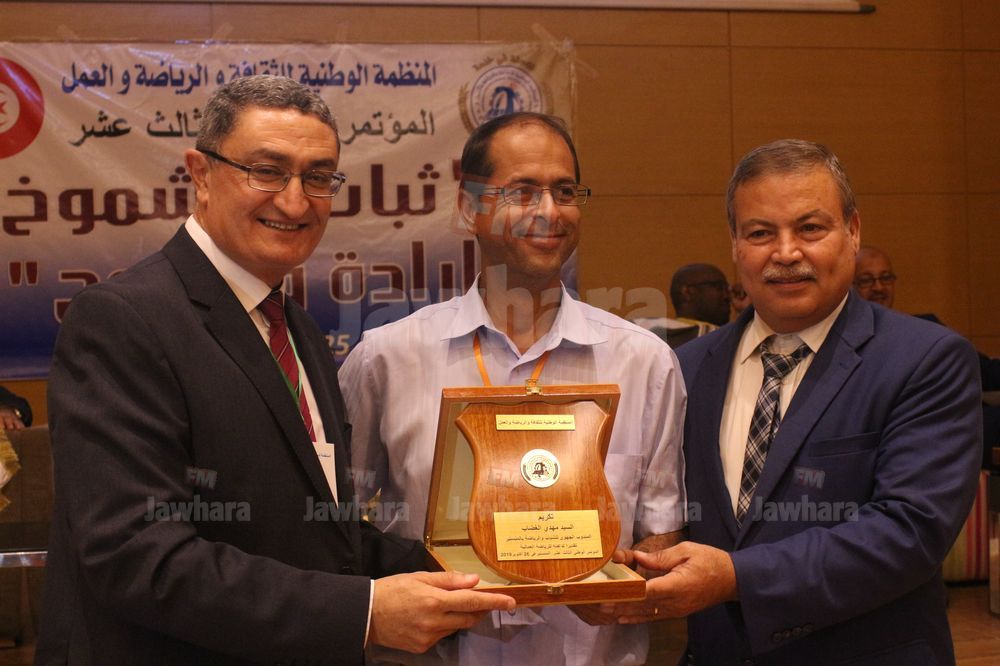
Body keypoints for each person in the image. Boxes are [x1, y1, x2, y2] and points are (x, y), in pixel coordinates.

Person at [38, 75, 513, 665]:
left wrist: (502, 568)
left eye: (318, 177)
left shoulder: (298, 331)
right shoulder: (124, 320)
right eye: (266, 171)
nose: (295, 201)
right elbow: (137, 557)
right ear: (200, 174)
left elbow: (325, 536)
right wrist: (364, 613)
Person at [606, 139, 982, 664]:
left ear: (852, 231)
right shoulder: (686, 368)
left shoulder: (925, 360)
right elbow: (669, 509)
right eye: (760, 233)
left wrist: (735, 577)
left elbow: (908, 533)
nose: (785, 253)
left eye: (810, 228)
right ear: (735, 244)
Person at [339, 111, 687, 664]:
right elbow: (340, 525)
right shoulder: (386, 358)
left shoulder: (646, 363)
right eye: (522, 192)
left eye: (565, 191)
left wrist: (629, 584)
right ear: (468, 208)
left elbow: (661, 530)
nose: (550, 211)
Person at [670, 262, 731, 329]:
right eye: (719, 287)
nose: (727, 296)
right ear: (687, 292)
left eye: (727, 289)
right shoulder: (669, 333)